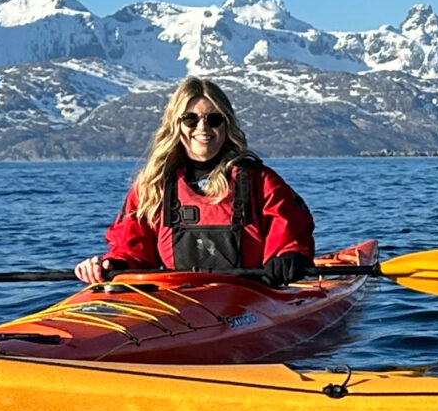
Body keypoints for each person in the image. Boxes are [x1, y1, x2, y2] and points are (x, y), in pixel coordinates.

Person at [74, 78, 319, 285]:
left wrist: (290, 255)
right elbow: (131, 247)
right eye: (191, 119)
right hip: (180, 302)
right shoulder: (154, 186)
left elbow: (290, 230)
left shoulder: (260, 181)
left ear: (226, 125)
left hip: (250, 298)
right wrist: (112, 264)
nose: (203, 128)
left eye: (214, 119)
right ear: (176, 125)